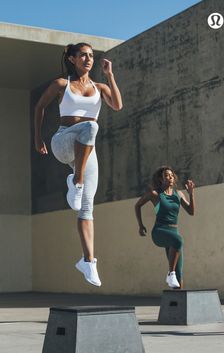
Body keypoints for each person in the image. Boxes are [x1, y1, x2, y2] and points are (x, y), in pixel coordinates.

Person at [34, 42, 122, 287]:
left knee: (86, 209)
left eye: (92, 56)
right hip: (63, 141)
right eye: (83, 55)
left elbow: (117, 105)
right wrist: (37, 138)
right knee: (90, 126)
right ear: (71, 59)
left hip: (86, 151)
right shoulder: (61, 85)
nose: (88, 59)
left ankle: (88, 261)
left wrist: (110, 76)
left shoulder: (99, 86)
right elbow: (40, 106)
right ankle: (77, 181)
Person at [135, 166, 195, 289]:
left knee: (179, 274)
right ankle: (170, 273)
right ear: (161, 179)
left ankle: (178, 302)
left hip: (173, 232)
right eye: (167, 175)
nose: (170, 177)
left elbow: (191, 211)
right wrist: (141, 225)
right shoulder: (155, 194)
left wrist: (191, 194)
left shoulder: (178, 194)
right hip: (159, 232)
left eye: (172, 175)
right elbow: (137, 205)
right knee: (179, 240)